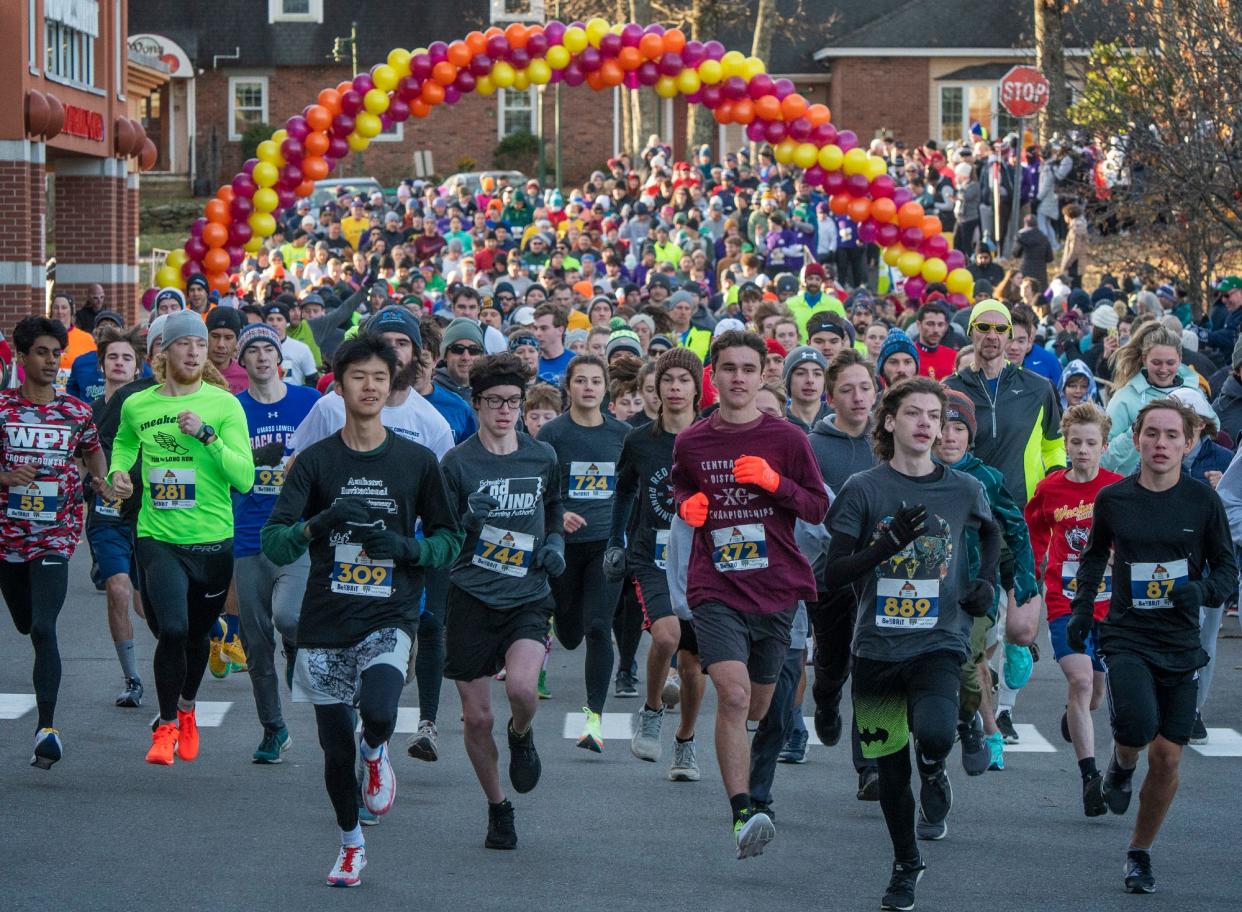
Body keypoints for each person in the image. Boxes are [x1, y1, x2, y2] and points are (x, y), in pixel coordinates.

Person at [261, 336, 461, 887]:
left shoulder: (417, 461)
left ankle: (375, 751)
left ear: (392, 384)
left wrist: (409, 549)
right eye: (358, 377)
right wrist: (317, 524)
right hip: (325, 618)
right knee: (330, 749)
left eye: (379, 377)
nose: (369, 386)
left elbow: (450, 539)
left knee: (377, 711)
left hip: (389, 613)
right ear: (338, 384)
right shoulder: (316, 462)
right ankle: (351, 843)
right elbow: (275, 542)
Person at [824, 377, 1000, 911]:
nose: (927, 424)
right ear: (890, 422)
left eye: (936, 416)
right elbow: (834, 574)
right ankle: (906, 863)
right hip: (876, 647)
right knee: (889, 773)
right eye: (915, 414)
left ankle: (935, 764)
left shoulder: (963, 488)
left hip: (938, 640)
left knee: (935, 731)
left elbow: (991, 532)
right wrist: (885, 545)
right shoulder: (863, 488)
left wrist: (985, 582)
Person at [670, 329, 829, 859]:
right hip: (715, 585)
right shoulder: (692, 440)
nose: (737, 378)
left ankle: (750, 786)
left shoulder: (787, 440)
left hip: (775, 587)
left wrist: (773, 483)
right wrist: (688, 503)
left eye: (747, 369)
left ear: (764, 375)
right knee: (734, 696)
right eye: (727, 369)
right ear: (711, 377)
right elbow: (681, 484)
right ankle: (743, 810)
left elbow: (815, 507)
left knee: (760, 703)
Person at [1068, 398, 1236, 894]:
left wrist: (1202, 591)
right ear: (1136, 439)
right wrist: (1081, 609)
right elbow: (1095, 557)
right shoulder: (1115, 499)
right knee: (1137, 726)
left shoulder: (1203, 502)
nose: (1160, 444)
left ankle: (1138, 853)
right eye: (1151, 434)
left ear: (1188, 443)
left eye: (1171, 436)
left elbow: (1227, 569)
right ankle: (1120, 766)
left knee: (1166, 758)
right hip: (1128, 635)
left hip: (1181, 641)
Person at [105, 311, 255, 765]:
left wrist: (207, 436)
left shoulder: (224, 405)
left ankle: (187, 709)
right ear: (163, 352)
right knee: (170, 628)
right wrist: (118, 472)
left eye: (201, 344)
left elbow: (244, 477)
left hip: (212, 540)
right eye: (185, 343)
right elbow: (126, 443)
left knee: (195, 637)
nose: (194, 351)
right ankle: (166, 725)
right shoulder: (139, 405)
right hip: (158, 535)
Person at [439, 353, 564, 850]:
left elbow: (554, 508)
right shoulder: (457, 463)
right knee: (476, 719)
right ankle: (498, 807)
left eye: (513, 401)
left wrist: (554, 544)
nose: (505, 411)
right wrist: (467, 521)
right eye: (494, 402)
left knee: (521, 690)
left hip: (527, 594)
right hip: (470, 594)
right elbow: (442, 534)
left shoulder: (542, 457)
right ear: (476, 405)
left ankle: (522, 733)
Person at [0, 317, 108, 769]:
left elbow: (92, 448)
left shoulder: (75, 411)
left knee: (44, 628)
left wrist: (100, 479)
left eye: (55, 353)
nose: (50, 361)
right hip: (8, 537)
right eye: (41, 352)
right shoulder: (3, 410)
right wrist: (5, 477)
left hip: (55, 534)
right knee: (25, 623)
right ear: (22, 356)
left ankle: (47, 727)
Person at [605, 348, 706, 779]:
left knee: (691, 664)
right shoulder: (639, 440)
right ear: (657, 388)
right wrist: (616, 541)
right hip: (652, 556)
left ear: (698, 388)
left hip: (703, 561)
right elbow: (625, 491)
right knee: (666, 636)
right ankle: (650, 711)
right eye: (669, 380)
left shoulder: (711, 436)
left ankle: (685, 743)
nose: (676, 388)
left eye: (685, 380)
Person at [933, 389, 1039, 775]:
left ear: (969, 436)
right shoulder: (917, 472)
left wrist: (1024, 583)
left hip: (976, 588)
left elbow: (1015, 530)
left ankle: (987, 730)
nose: (948, 436)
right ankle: (964, 727)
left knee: (967, 659)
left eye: (958, 428)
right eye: (941, 426)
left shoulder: (987, 479)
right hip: (928, 588)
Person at [1025, 402, 1123, 813]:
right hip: (1064, 600)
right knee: (1081, 682)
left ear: (1104, 446)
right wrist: (1028, 584)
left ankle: (1074, 716)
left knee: (1096, 694)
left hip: (1110, 604)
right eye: (1075, 442)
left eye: (1091, 443)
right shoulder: (1050, 490)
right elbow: (1033, 537)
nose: (1082, 450)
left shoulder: (1117, 488)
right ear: (1064, 444)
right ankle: (1089, 778)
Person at [231, 324, 320, 763]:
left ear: (280, 358)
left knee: (289, 616)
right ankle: (274, 728)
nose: (262, 357)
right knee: (254, 641)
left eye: (269, 349)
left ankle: (297, 646)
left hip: (296, 534)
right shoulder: (232, 409)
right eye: (254, 351)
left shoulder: (309, 403)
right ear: (242, 361)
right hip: (248, 536)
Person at [536, 354, 630, 751]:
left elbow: (633, 489)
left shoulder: (623, 434)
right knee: (571, 632)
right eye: (581, 381)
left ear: (606, 388)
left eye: (596, 381)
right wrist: (560, 516)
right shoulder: (552, 435)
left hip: (607, 547)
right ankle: (560, 625)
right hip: (564, 548)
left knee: (597, 627)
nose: (589, 387)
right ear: (569, 387)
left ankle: (594, 718)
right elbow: (537, 490)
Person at [289, 307, 453, 461]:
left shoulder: (434, 424)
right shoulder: (329, 407)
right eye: (385, 342)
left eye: (402, 343)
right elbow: (299, 467)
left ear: (416, 354)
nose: (393, 351)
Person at [87, 328, 147, 707]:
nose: (120, 363)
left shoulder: (147, 410)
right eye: (113, 357)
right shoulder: (87, 413)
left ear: (137, 366)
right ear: (102, 365)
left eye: (127, 358)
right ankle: (132, 679)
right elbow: (76, 464)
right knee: (118, 588)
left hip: (147, 517)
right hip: (106, 518)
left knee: (146, 607)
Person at [1103, 322, 1199, 477]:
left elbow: (1210, 441)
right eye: (1156, 362)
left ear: (1180, 359)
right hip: (1133, 489)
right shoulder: (1124, 399)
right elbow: (1102, 459)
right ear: (1144, 359)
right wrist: (1134, 433)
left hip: (1183, 488)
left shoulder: (1194, 394)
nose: (1163, 369)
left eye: (1170, 363)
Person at [263, 302, 319, 387]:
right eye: (270, 319)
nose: (274, 323)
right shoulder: (257, 350)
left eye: (279, 319)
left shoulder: (301, 349)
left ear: (287, 323)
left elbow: (312, 379)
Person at [783, 346, 831, 432]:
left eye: (817, 374)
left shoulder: (837, 419)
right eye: (800, 373)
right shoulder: (779, 421)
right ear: (788, 380)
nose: (810, 380)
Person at [912, 304, 956, 381]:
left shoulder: (954, 356)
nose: (936, 330)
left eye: (940, 324)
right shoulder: (908, 356)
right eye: (930, 324)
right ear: (919, 325)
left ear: (945, 327)